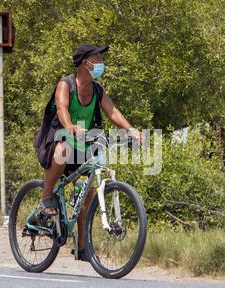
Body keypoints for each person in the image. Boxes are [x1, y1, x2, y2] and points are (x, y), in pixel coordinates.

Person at [34, 44, 144, 261]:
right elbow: (62, 109)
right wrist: (71, 126)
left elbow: (112, 112)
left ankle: (82, 247)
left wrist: (132, 131)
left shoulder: (97, 89)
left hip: (83, 146)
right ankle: (47, 196)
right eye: (98, 57)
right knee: (64, 148)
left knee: (87, 192)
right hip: (55, 141)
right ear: (86, 62)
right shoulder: (65, 85)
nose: (101, 61)